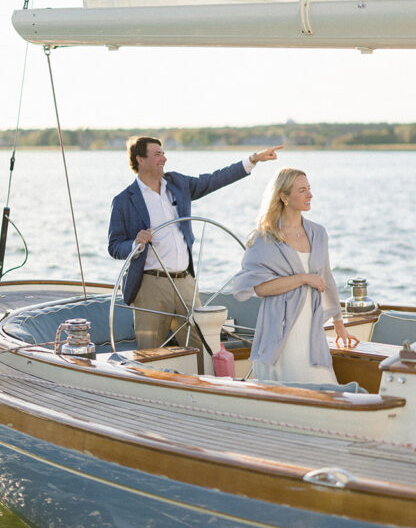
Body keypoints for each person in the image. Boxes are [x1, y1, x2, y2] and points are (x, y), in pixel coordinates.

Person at [108, 136, 283, 352]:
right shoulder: (124, 200)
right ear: (140, 160)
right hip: (150, 286)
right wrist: (135, 242)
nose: (164, 158)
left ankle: (206, 384)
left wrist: (253, 159)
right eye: (157, 154)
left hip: (186, 283)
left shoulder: (178, 184)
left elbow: (214, 180)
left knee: (201, 347)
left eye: (163, 153)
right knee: (149, 352)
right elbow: (114, 246)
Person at [231, 167, 358, 384]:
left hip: (312, 326)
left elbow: (326, 278)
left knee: (321, 384)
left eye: (309, 188)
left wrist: (339, 323)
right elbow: (258, 288)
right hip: (281, 328)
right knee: (288, 387)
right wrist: (304, 278)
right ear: (284, 197)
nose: (310, 195)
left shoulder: (318, 233)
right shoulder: (264, 238)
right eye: (302, 190)